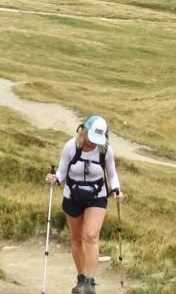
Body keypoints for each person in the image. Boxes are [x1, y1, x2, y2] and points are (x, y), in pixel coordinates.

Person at [45, 116, 122, 294]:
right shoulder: (71, 146)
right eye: (91, 139)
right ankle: (81, 278)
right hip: (72, 195)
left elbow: (112, 174)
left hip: (97, 195)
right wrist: (55, 179)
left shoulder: (105, 150)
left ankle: (90, 282)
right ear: (84, 132)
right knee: (77, 238)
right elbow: (62, 172)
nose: (94, 144)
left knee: (91, 235)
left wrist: (117, 189)